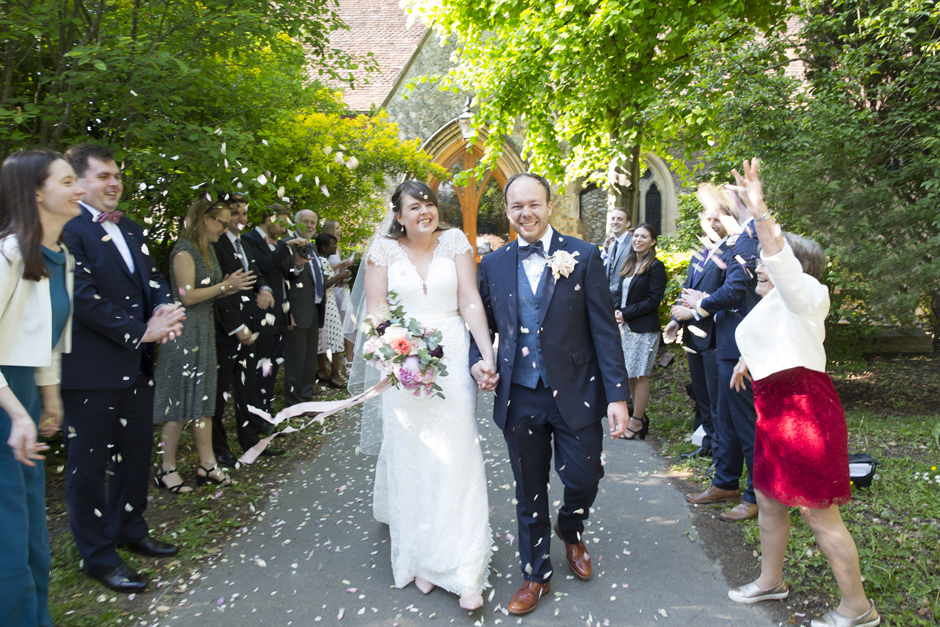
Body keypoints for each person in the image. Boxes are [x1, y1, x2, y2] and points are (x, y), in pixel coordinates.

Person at [725, 159, 879, 627]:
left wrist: (760, 211)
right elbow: (771, 335)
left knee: (819, 516)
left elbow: (777, 259)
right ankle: (771, 580)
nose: (759, 264)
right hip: (773, 413)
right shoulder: (776, 305)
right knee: (769, 499)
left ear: (797, 267)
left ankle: (859, 608)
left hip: (805, 413)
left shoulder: (809, 293)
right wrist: (746, 360)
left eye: (772, 259)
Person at [469, 173, 630, 616]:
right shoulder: (494, 265)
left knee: (583, 478)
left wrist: (618, 395)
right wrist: (477, 361)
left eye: (534, 204)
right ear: (508, 212)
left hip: (576, 390)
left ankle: (571, 527)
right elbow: (481, 326)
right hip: (519, 395)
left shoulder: (583, 255)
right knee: (529, 488)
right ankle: (535, 573)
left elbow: (603, 329)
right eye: (517, 206)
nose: (526, 213)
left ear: (548, 205)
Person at [359, 180, 494, 611]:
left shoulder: (455, 241)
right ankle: (420, 556)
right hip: (403, 363)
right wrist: (392, 354)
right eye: (414, 207)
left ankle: (463, 566)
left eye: (430, 204)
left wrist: (486, 351)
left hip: (451, 359)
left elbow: (470, 299)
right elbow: (377, 311)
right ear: (398, 216)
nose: (425, 212)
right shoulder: (381, 250)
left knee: (457, 453)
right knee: (413, 454)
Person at [61, 143, 185, 592]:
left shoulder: (130, 228)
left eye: (117, 175)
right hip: (89, 371)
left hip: (136, 366)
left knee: (133, 456)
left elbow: (152, 281)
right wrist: (142, 331)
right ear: (77, 183)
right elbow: (82, 298)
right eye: (102, 176)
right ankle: (97, 556)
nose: (114, 183)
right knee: (88, 467)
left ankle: (131, 531)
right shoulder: (68, 229)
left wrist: (165, 310)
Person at [0, 149, 79, 627]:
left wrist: (48, 400)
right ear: (36, 193)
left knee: (33, 534)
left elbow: (47, 335)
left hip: (27, 396)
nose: (79, 189)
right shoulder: (8, 252)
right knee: (9, 539)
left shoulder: (61, 255)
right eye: (67, 181)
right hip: (5, 403)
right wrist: (18, 414)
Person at [152, 198, 255, 491]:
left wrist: (229, 287)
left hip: (204, 330)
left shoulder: (208, 249)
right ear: (204, 219)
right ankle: (166, 468)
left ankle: (207, 464)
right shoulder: (183, 251)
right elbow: (186, 296)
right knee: (179, 403)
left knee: (204, 401)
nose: (226, 228)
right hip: (183, 333)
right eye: (222, 222)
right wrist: (225, 286)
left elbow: (208, 293)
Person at [682, 182, 762, 523]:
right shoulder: (736, 239)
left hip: (743, 342)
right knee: (725, 419)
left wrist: (701, 306)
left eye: (719, 208)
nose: (714, 216)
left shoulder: (751, 235)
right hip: (726, 340)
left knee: (747, 423)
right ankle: (725, 482)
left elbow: (735, 289)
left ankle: (756, 494)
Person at [210, 192, 276, 466]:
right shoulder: (215, 244)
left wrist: (264, 288)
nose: (240, 219)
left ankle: (250, 442)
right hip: (225, 329)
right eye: (235, 213)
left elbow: (255, 273)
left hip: (250, 325)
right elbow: (219, 287)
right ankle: (218, 450)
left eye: (244, 214)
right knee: (219, 392)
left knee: (248, 387)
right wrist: (235, 326)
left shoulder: (243, 244)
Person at [665, 204, 731, 460]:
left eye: (718, 219)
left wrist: (693, 313)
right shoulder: (700, 254)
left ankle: (721, 456)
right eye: (708, 218)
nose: (712, 223)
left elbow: (726, 297)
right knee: (702, 397)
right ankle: (708, 442)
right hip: (693, 337)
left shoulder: (731, 253)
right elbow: (688, 290)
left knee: (716, 400)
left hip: (715, 336)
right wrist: (675, 321)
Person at [241, 204, 307, 420]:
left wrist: (297, 266)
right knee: (259, 368)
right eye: (281, 224)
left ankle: (266, 414)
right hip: (260, 316)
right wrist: (286, 247)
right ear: (269, 219)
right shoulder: (249, 240)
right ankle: (255, 416)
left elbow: (284, 279)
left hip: (280, 315)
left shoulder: (279, 245)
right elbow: (263, 267)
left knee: (273, 366)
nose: (283, 230)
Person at [613, 223, 666, 440]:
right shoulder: (629, 263)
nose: (638, 240)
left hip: (644, 329)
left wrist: (626, 313)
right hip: (626, 327)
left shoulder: (656, 266)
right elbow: (619, 291)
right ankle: (639, 418)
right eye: (636, 236)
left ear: (652, 241)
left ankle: (637, 421)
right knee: (631, 374)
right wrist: (617, 309)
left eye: (643, 237)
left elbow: (653, 300)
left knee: (640, 374)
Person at [283, 209, 325, 405]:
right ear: (295, 223)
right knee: (296, 360)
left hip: (314, 309)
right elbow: (283, 280)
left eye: (312, 223)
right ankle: (293, 402)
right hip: (296, 311)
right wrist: (288, 311)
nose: (309, 226)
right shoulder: (286, 245)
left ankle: (306, 398)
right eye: (305, 222)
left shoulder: (313, 248)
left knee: (309, 360)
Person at [320, 219, 355, 373]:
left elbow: (336, 271)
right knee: (333, 327)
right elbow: (324, 267)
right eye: (337, 228)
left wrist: (344, 271)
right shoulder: (322, 247)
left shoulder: (338, 248)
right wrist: (340, 266)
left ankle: (349, 359)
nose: (340, 230)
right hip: (329, 291)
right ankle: (328, 364)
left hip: (341, 289)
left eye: (340, 227)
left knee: (350, 324)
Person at [316, 232, 350, 388]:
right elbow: (323, 285)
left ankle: (322, 369)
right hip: (328, 306)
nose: (335, 247)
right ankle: (335, 373)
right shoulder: (322, 261)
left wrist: (339, 280)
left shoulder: (322, 260)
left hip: (326, 303)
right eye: (332, 244)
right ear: (323, 247)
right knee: (335, 338)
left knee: (323, 338)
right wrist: (340, 275)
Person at [602, 207, 631, 299]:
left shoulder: (633, 243)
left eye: (620, 219)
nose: (615, 222)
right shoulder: (611, 246)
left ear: (628, 223)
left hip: (627, 298)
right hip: (611, 299)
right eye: (613, 219)